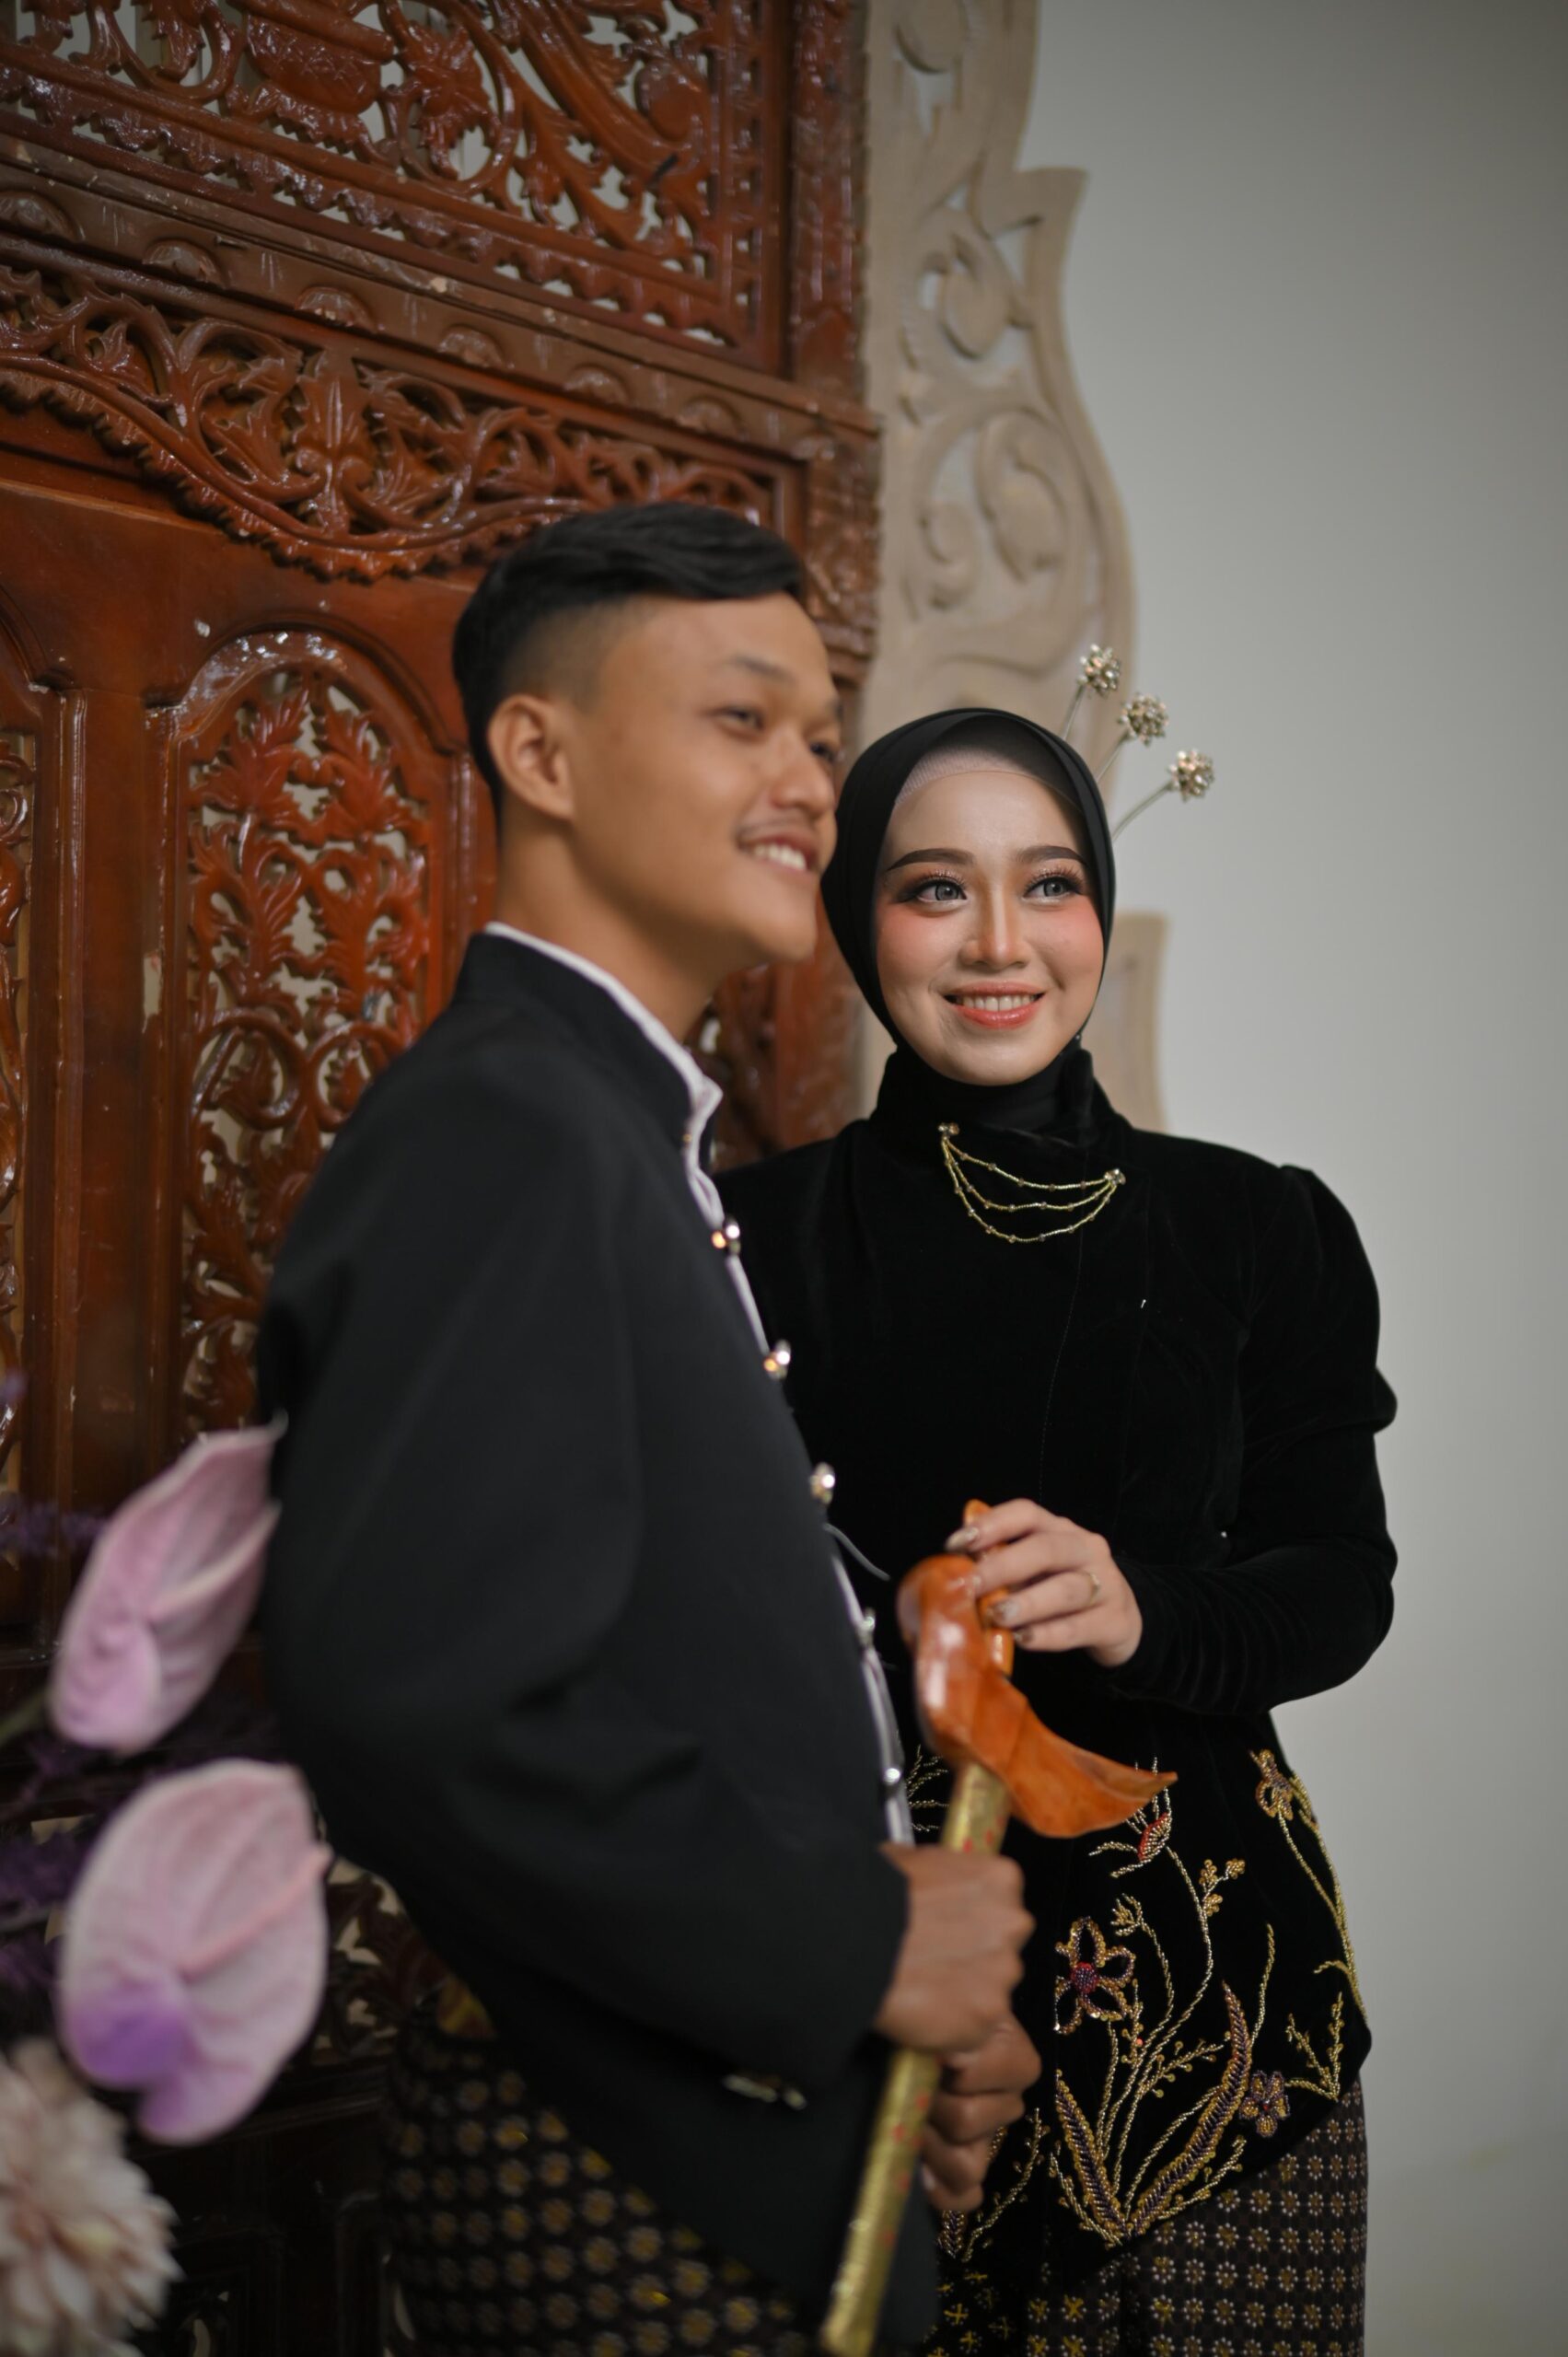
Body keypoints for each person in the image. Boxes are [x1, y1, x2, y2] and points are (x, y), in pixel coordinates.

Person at [256, 513, 1041, 2357]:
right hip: (621, 2163)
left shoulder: (622, 1128)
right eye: (742, 720)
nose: (809, 783)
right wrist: (850, 1947)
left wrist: (886, 2005)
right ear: (539, 752)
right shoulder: (512, 1125)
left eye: (822, 738)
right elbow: (414, 1694)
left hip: (739, 2125)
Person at [720, 711, 1395, 2356]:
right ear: (857, 923)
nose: (1000, 945)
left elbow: (1340, 1586)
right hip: (874, 2016)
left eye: (1049, 885)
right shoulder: (748, 1242)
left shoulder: (1259, 1223)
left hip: (1222, 2028)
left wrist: (1140, 1607)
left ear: (1098, 904)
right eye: (934, 889)